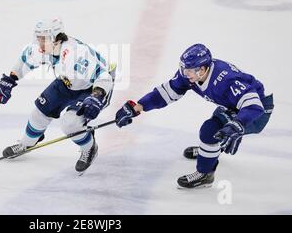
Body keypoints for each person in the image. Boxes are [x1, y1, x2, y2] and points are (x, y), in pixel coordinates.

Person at [115, 43, 274, 188]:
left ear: (203, 69)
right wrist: (138, 106)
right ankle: (209, 150)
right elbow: (167, 93)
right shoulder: (191, 75)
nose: (186, 74)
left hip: (256, 112)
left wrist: (238, 124)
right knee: (214, 134)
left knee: (209, 131)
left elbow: (254, 105)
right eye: (184, 69)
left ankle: (205, 174)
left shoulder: (225, 79)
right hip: (233, 106)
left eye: (190, 70)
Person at [0, 18, 115, 173]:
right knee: (39, 113)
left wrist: (96, 97)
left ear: (57, 38)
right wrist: (9, 80)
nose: (40, 43)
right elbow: (25, 59)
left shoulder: (76, 54)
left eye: (44, 39)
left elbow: (103, 76)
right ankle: (27, 143)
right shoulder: (46, 48)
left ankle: (90, 147)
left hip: (93, 87)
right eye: (38, 38)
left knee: (70, 123)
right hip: (68, 82)